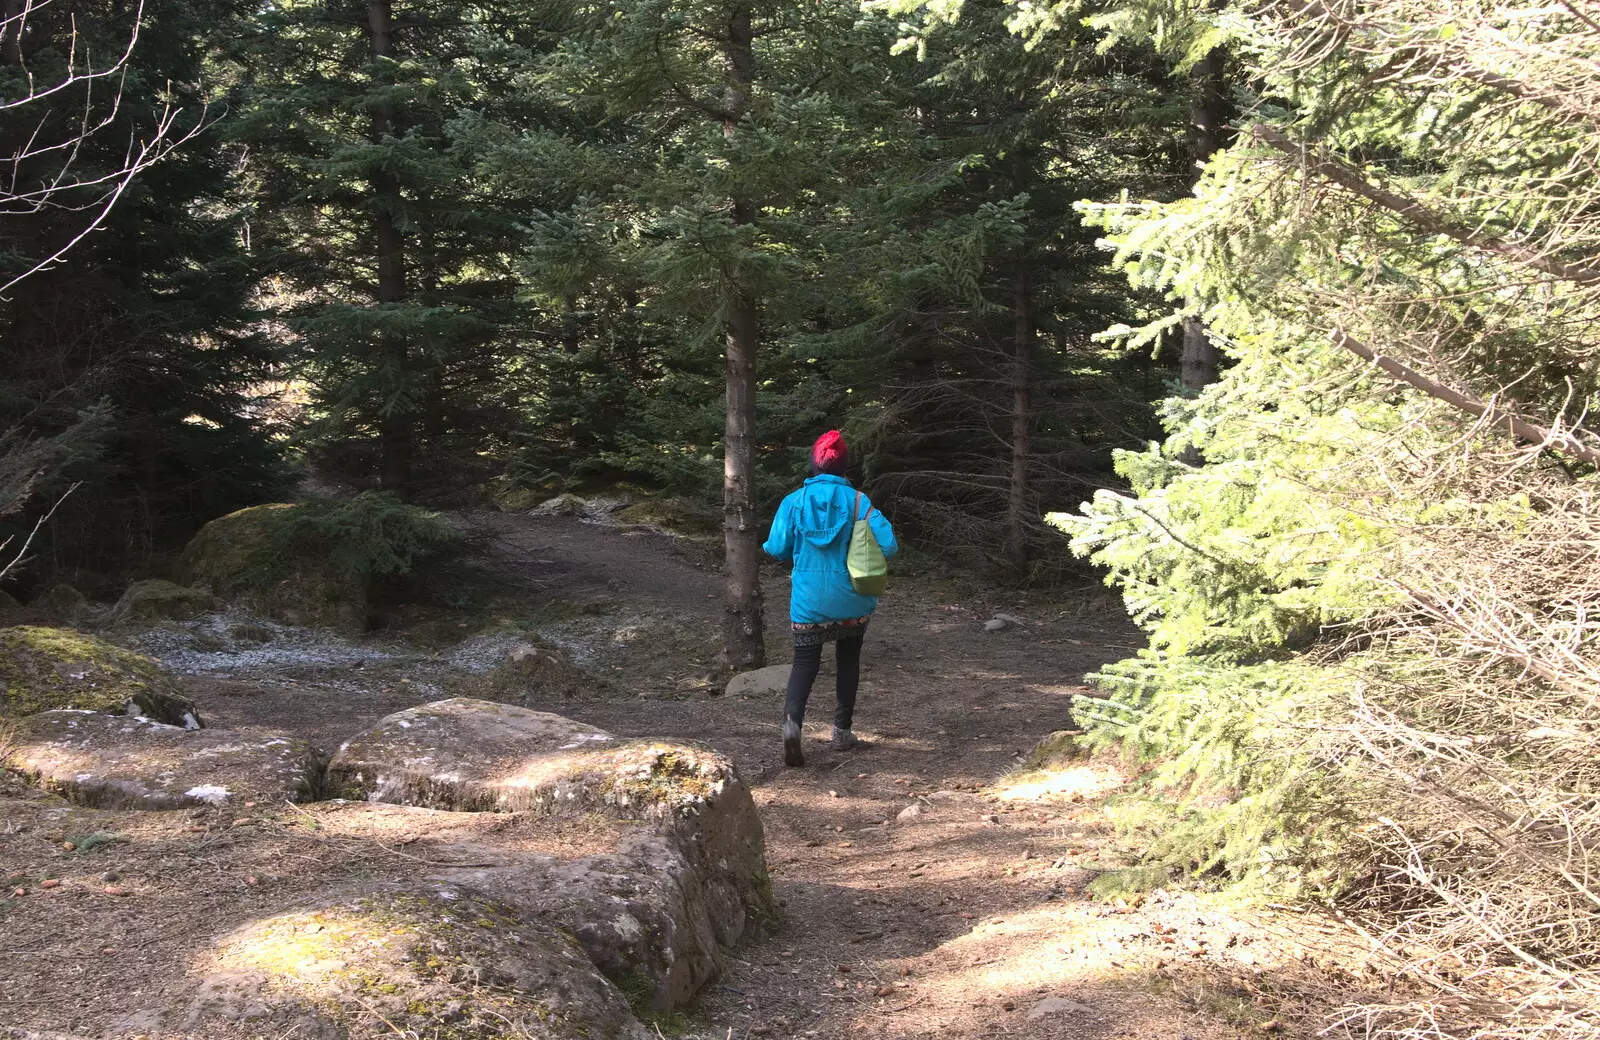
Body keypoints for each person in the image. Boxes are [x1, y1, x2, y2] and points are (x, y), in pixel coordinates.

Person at [762, 430, 898, 767]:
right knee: (848, 660)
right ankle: (841, 732)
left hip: (808, 601)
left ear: (813, 464)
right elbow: (890, 546)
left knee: (805, 663)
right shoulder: (857, 501)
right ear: (844, 465)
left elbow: (777, 548)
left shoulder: (793, 502)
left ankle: (792, 731)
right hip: (852, 600)